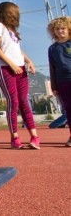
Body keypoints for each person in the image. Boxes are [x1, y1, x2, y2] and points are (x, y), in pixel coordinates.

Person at [0, 2, 39, 150]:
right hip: (5, 69)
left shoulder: (12, 30)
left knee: (24, 101)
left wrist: (28, 61)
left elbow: (17, 50)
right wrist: (11, 64)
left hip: (20, 68)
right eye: (14, 12)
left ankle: (34, 136)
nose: (17, 15)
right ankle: (14, 137)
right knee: (13, 101)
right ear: (7, 12)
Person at [47, 16, 71, 147]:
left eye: (63, 28)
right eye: (57, 29)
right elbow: (52, 68)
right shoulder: (53, 48)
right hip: (63, 82)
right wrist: (54, 86)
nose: (60, 31)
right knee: (69, 110)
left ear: (68, 29)